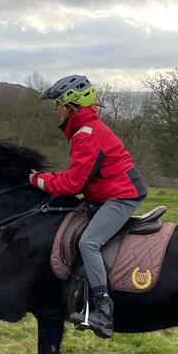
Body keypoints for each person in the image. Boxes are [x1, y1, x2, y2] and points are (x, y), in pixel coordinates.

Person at [30, 75, 147, 338]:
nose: (55, 108)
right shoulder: (84, 130)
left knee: (89, 243)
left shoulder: (87, 134)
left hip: (122, 195)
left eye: (58, 103)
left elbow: (72, 183)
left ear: (72, 105)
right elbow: (80, 175)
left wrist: (38, 180)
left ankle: (102, 308)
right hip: (105, 193)